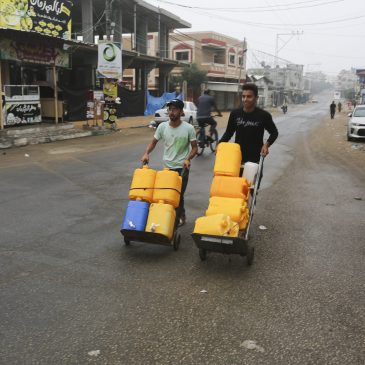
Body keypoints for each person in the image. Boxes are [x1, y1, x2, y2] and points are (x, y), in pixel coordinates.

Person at [141, 99, 198, 227]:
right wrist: (146, 153)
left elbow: (195, 148)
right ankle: (172, 215)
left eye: (175, 109)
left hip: (182, 167)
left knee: (178, 195)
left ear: (181, 112)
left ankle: (176, 220)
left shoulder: (189, 128)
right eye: (170, 109)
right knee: (167, 194)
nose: (171, 112)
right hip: (167, 168)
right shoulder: (162, 127)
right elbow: (153, 142)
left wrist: (188, 159)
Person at [219, 83, 278, 175]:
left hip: (254, 159)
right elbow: (229, 132)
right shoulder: (235, 114)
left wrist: (266, 145)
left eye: (249, 96)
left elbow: (274, 133)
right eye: (243, 96)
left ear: (256, 98)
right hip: (236, 157)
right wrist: (220, 145)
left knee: (250, 187)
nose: (245, 99)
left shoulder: (264, 115)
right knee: (234, 186)